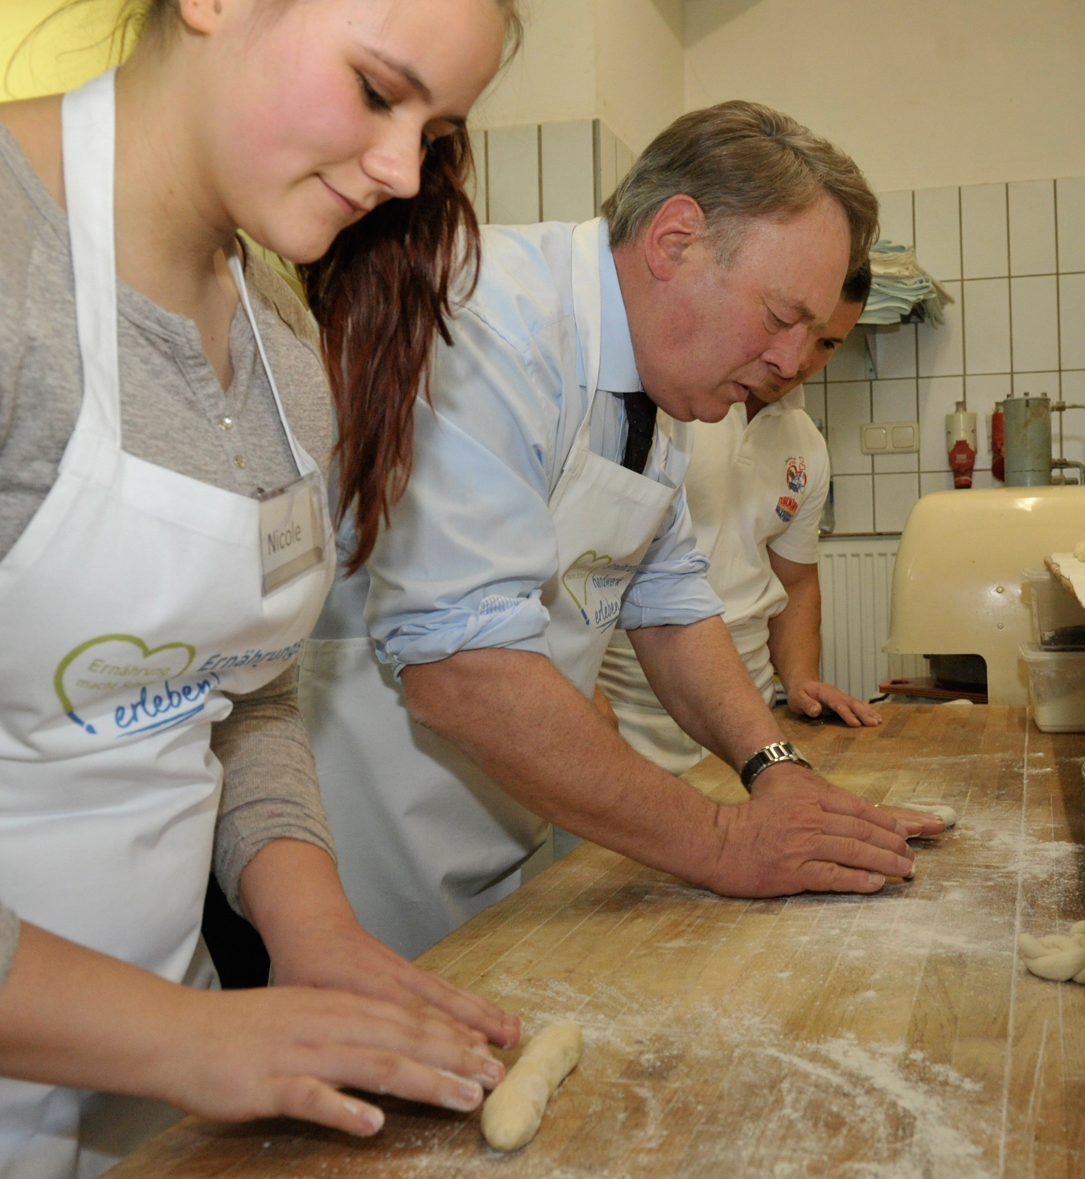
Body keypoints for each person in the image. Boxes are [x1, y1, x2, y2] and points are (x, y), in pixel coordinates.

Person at [0, 0, 526, 1170]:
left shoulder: (280, 335)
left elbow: (232, 691)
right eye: (376, 91)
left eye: (432, 131)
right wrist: (182, 1036)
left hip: (152, 1092)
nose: (399, 171)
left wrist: (313, 931)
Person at [303, 102, 944, 962]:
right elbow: (463, 674)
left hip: (512, 817)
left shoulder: (662, 380)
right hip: (377, 841)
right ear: (675, 241)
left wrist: (778, 769)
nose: (794, 364)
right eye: (782, 316)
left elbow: (668, 597)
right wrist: (725, 843)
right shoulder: (490, 323)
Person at [596, 263, 882, 776]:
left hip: (745, 721)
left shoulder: (806, 443)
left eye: (828, 344)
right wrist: (576, 688)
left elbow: (794, 578)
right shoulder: (667, 406)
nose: (799, 362)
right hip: (625, 714)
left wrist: (799, 678)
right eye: (797, 330)